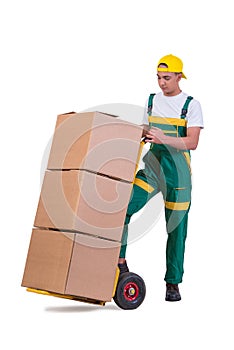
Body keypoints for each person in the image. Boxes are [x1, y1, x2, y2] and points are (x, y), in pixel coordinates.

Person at [118, 54, 204, 301]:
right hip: (153, 170)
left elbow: (193, 142)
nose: (161, 83)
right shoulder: (152, 100)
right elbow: (148, 129)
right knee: (123, 204)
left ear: (179, 77)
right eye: (158, 77)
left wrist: (163, 138)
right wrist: (139, 133)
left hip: (178, 177)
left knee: (176, 230)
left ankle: (172, 283)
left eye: (166, 78)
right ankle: (121, 264)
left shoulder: (191, 105)